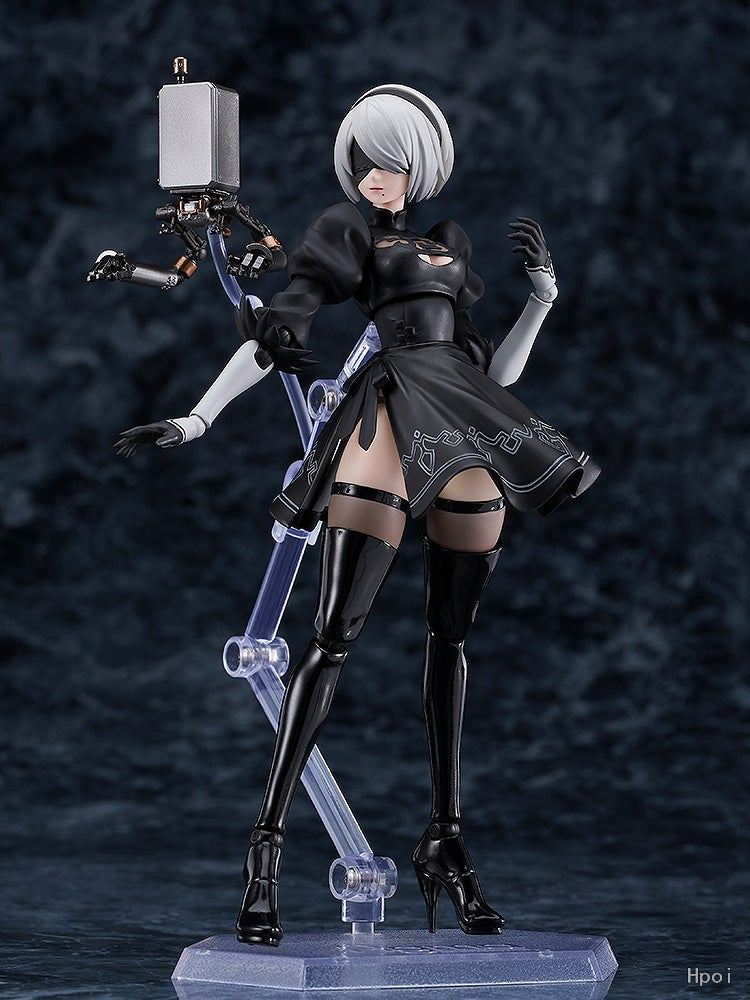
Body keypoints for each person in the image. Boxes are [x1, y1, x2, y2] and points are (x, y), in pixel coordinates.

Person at [116, 84, 599, 947]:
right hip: (387, 409)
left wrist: (541, 299)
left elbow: (492, 374)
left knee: (451, 638)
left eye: (396, 162)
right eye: (367, 159)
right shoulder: (346, 233)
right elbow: (280, 330)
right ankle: (265, 850)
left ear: (423, 167)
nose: (379, 175)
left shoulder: (450, 243)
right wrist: (198, 417)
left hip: (462, 416)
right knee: (331, 638)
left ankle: (446, 842)